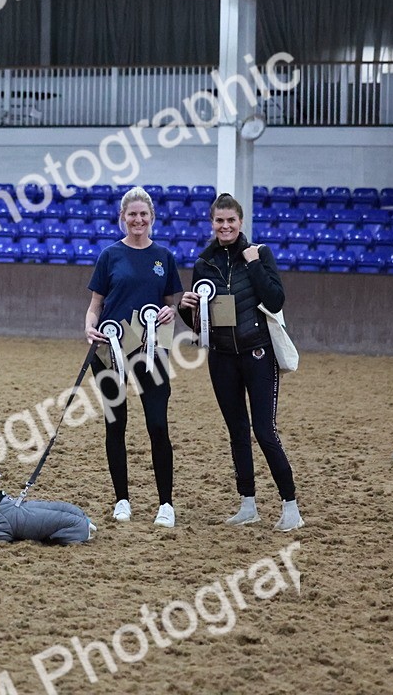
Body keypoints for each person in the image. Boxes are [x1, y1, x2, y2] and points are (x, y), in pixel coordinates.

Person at [179, 193, 303, 532]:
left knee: (264, 431)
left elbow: (275, 300)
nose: (225, 226)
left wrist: (252, 263)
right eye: (219, 221)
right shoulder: (204, 263)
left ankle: (290, 505)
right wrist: (185, 308)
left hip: (258, 354)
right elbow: (199, 326)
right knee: (237, 432)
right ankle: (247, 504)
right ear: (212, 223)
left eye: (230, 220)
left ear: (241, 221)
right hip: (221, 358)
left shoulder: (260, 254)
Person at [84, 187, 183, 528]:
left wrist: (171, 311)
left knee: (157, 424)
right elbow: (95, 306)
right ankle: (122, 500)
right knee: (116, 424)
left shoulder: (164, 257)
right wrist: (89, 327)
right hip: (109, 349)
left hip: (152, 349)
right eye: (132, 214)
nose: (138, 220)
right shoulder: (109, 255)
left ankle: (166, 504)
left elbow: (170, 303)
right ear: (122, 218)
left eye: (143, 214)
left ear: (151, 218)